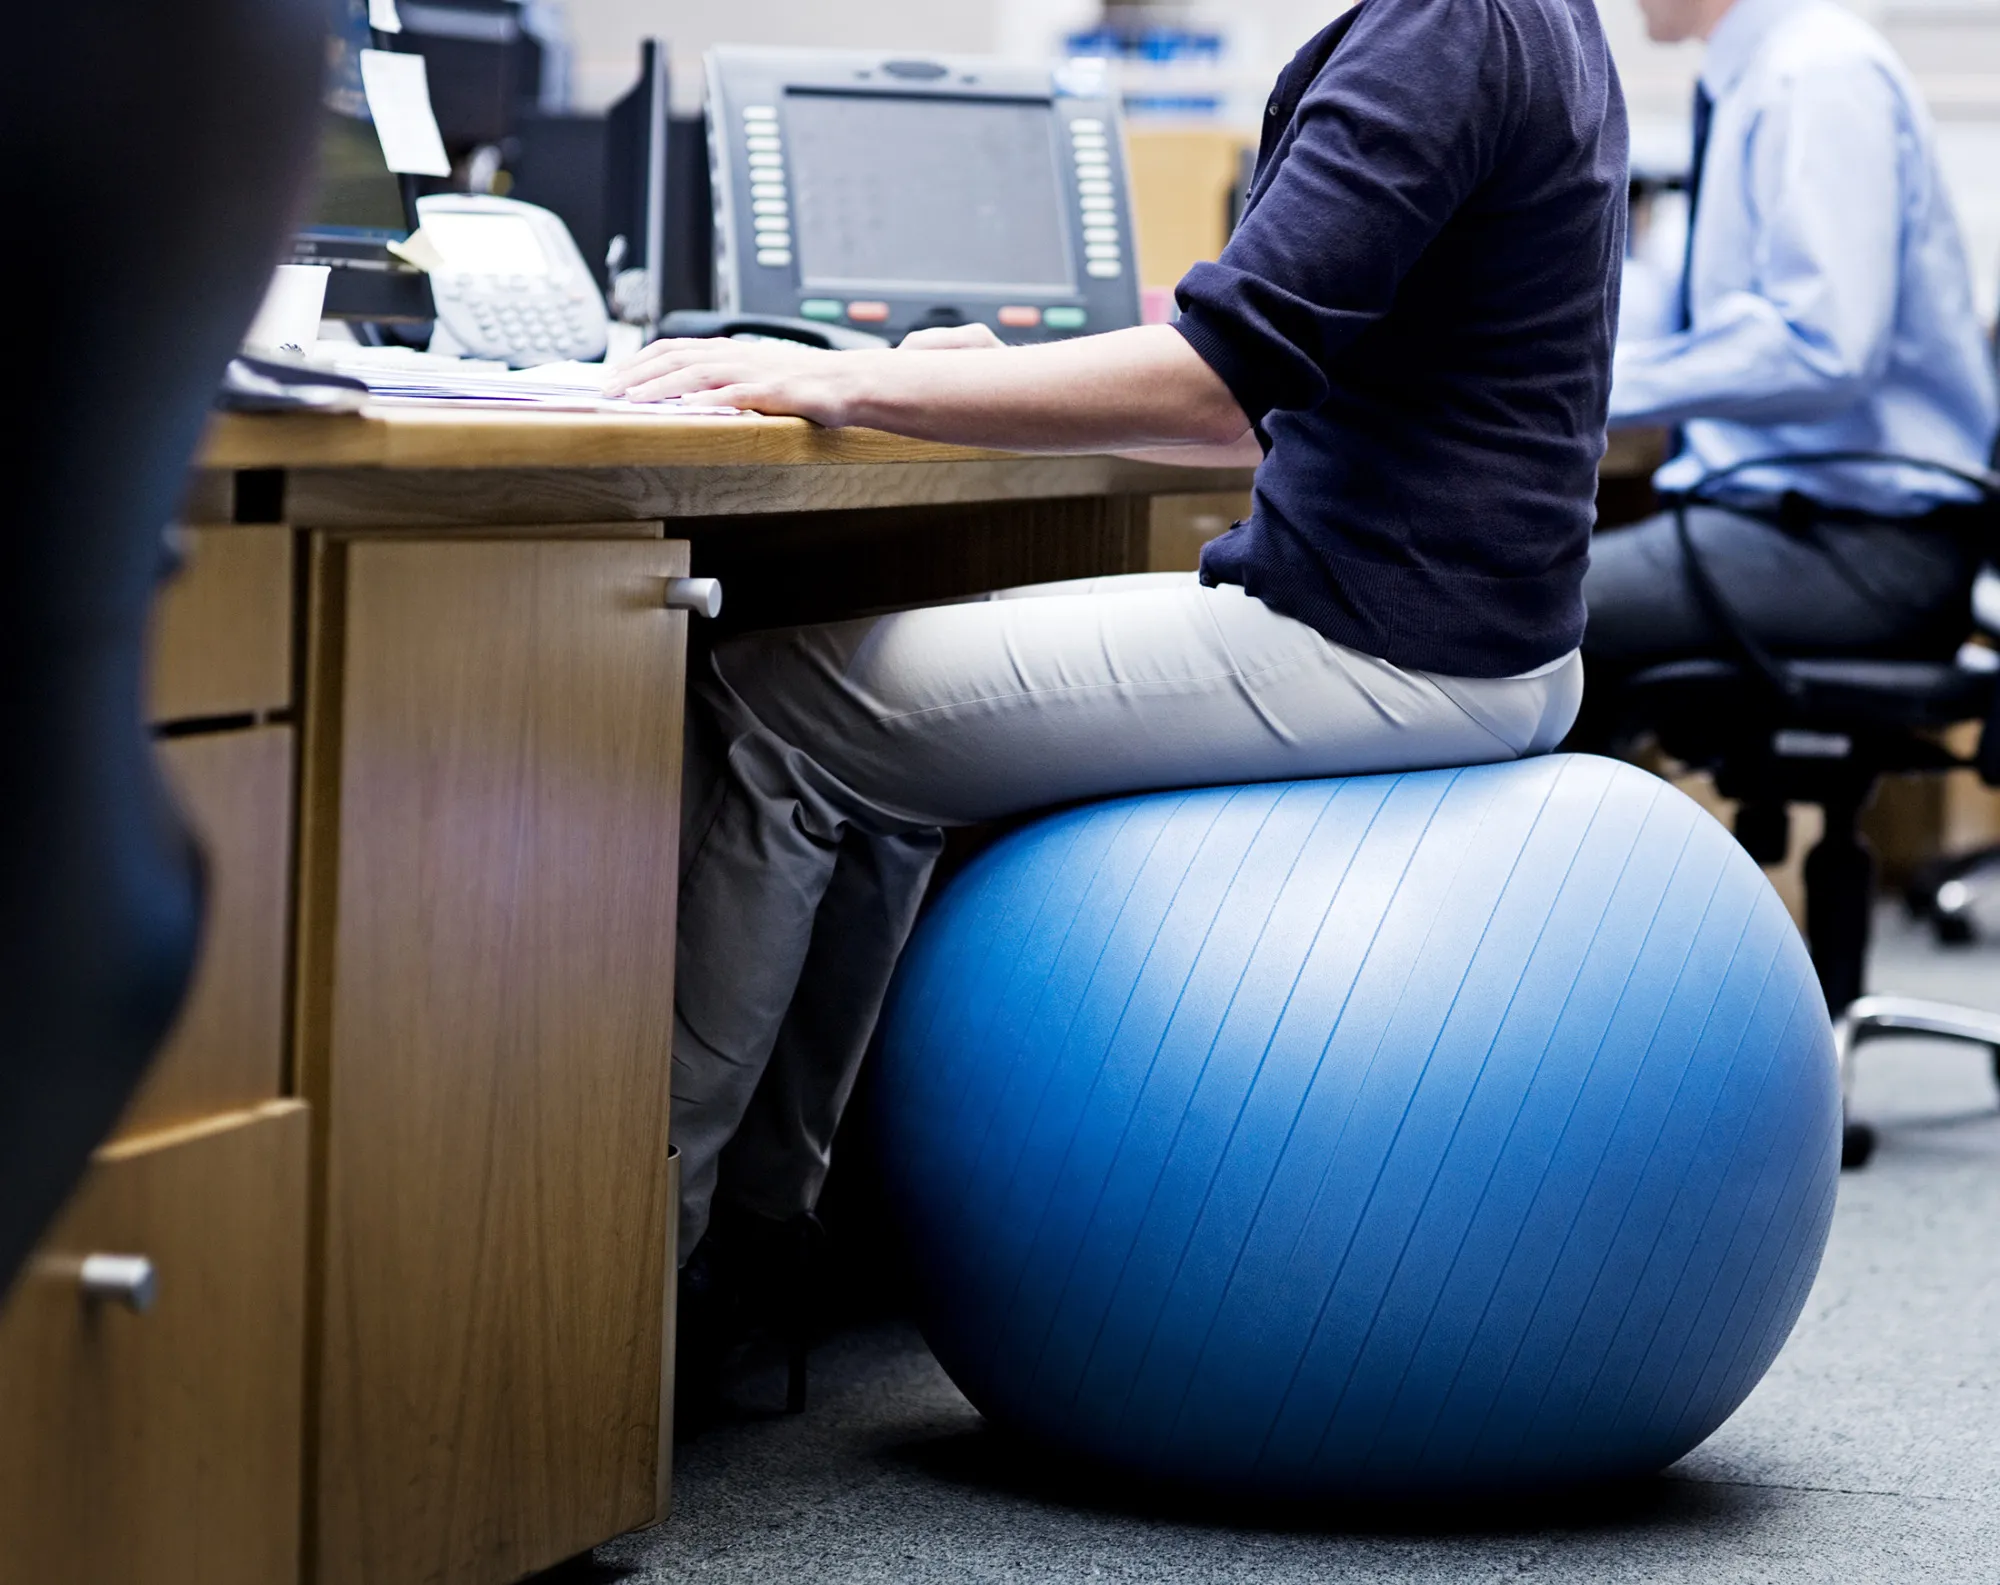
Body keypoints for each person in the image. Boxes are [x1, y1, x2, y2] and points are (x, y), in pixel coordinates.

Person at [606, 0, 1628, 1344]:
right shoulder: (1533, 20)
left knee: (774, 708)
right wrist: (998, 376)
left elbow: (1216, 389)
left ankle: (632, 1294)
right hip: (1477, 634)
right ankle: (769, 1236)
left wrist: (846, 383)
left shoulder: (1441, 26)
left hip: (1384, 640)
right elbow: (1279, 378)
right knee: (883, 706)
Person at [1579, 0, 1999, 743]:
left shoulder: (1819, 75)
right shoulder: (1755, 78)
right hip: (1797, 528)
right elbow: (1692, 308)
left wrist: (1584, 385)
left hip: (1864, 547)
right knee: (1528, 599)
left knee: (1517, 611)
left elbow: (1822, 346)